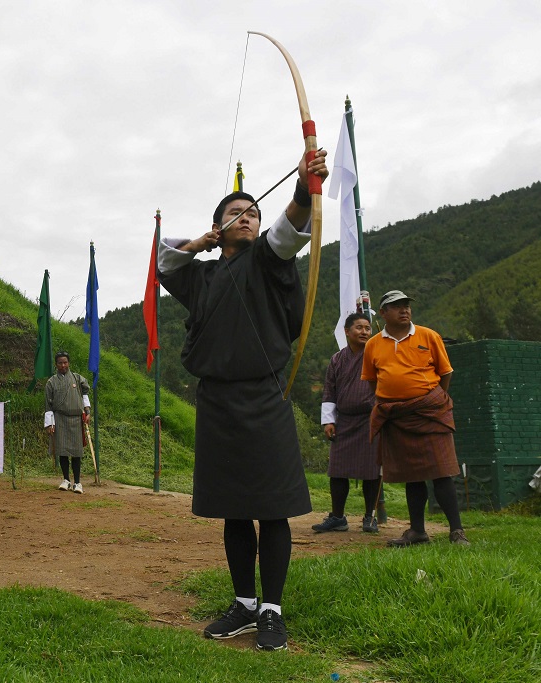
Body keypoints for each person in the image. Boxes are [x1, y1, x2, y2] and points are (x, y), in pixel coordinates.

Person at [157, 149, 328, 651]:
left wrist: (302, 188)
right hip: (217, 401)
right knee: (234, 509)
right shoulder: (202, 275)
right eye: (236, 212)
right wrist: (199, 242)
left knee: (272, 509)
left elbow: (289, 228)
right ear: (217, 229)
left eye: (252, 212)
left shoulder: (268, 260)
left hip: (264, 396)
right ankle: (244, 605)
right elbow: (166, 261)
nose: (248, 217)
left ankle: (272, 609)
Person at [361, 290, 469, 547]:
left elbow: (445, 373)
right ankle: (418, 531)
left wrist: (432, 401)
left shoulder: (428, 336)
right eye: (396, 306)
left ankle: (457, 531)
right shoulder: (373, 344)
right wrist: (391, 399)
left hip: (430, 413)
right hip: (396, 417)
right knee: (412, 476)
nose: (404, 309)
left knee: (442, 472)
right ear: (383, 313)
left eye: (406, 305)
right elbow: (371, 381)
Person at [314, 313, 381, 534]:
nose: (364, 332)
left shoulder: (376, 356)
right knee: (337, 469)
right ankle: (337, 517)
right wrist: (328, 421)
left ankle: (370, 517)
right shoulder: (337, 359)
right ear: (346, 331)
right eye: (359, 328)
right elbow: (329, 391)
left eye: (367, 328)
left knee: (372, 470)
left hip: (370, 420)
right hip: (344, 421)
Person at [44, 351, 91, 493]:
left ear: (68, 363)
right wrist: (49, 424)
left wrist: (87, 411)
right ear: (56, 364)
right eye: (60, 363)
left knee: (77, 452)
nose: (63, 365)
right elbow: (48, 405)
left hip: (76, 419)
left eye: (65, 362)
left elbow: (85, 394)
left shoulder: (77, 379)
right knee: (62, 451)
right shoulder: (51, 382)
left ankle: (77, 482)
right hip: (60, 418)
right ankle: (66, 480)